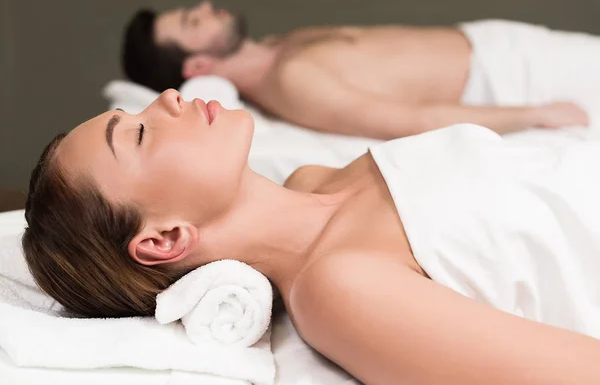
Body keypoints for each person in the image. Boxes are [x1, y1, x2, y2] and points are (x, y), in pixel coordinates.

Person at [22, 90, 600, 384]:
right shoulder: (339, 291)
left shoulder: (319, 177)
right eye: (141, 133)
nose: (170, 98)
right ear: (165, 238)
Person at [121, 2, 594, 140]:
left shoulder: (280, 46)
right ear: (199, 66)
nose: (205, 7)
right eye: (192, 21)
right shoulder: (291, 82)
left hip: (505, 45)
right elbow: (411, 121)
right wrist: (535, 114)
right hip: (515, 83)